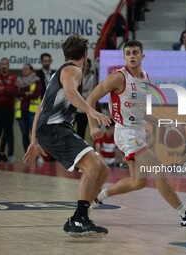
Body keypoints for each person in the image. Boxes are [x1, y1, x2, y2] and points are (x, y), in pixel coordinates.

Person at [87, 40, 186, 227]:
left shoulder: (145, 77)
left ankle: (99, 196)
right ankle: (185, 214)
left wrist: (159, 123)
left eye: (135, 52)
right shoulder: (118, 78)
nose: (132, 56)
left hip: (138, 131)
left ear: (142, 56)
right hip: (126, 132)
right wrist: (93, 125)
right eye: (128, 53)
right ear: (124, 57)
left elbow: (140, 109)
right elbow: (90, 98)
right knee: (158, 170)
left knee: (138, 182)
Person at [23, 34, 111, 237]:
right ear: (85, 55)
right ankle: (78, 219)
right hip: (55, 129)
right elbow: (71, 92)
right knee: (94, 166)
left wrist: (34, 141)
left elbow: (40, 108)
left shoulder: (58, 73)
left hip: (52, 130)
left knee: (103, 168)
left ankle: (80, 217)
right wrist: (92, 111)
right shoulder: (74, 70)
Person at [0, 57, 17, 162]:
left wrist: (3, 89)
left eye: (6, 64)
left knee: (9, 133)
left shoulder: (13, 77)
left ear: (8, 66)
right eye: (2, 64)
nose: (4, 66)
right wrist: (6, 89)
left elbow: (13, 90)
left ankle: (10, 155)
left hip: (9, 109)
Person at [15, 64, 42, 152]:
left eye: (27, 69)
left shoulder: (37, 81)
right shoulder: (18, 81)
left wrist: (23, 95)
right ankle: (27, 154)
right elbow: (15, 93)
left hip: (33, 112)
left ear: (31, 70)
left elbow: (36, 94)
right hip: (21, 111)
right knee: (24, 134)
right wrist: (27, 93)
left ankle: (37, 155)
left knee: (34, 135)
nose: (24, 70)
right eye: (23, 69)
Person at [75, 58, 95, 139]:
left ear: (89, 67)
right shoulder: (77, 75)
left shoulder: (93, 77)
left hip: (85, 108)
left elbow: (92, 93)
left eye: (87, 66)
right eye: (84, 65)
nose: (85, 67)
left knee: (81, 130)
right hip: (75, 107)